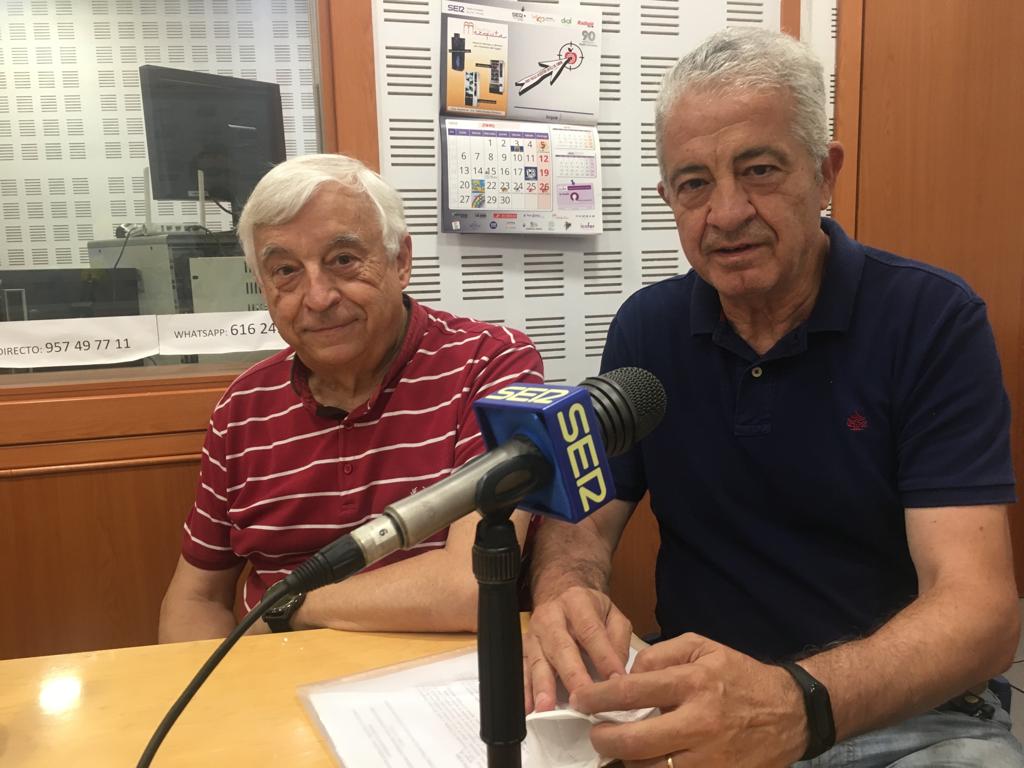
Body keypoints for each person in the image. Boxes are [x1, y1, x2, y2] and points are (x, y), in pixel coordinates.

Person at [524, 28, 1022, 768]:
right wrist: (567, 585)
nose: (725, 213)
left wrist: (798, 703)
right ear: (668, 198)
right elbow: (585, 520)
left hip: (903, 716)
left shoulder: (932, 320)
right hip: (696, 710)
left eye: (758, 170)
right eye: (693, 183)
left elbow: (980, 611)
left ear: (826, 174)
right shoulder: (646, 329)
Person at [159, 154, 542, 641]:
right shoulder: (241, 410)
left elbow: (469, 586)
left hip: (447, 685)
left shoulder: (490, 365)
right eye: (285, 271)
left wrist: (287, 605)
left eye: (343, 260)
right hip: (279, 684)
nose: (318, 297)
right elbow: (197, 597)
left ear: (400, 261)